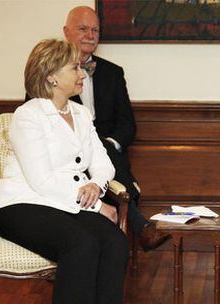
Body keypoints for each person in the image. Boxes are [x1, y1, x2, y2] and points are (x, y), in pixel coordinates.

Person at [0, 39, 128, 304]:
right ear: (51, 76)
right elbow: (42, 181)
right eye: (75, 68)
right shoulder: (28, 115)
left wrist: (96, 186)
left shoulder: (81, 113)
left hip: (66, 203)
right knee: (81, 244)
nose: (82, 74)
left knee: (115, 242)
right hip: (23, 205)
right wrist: (96, 206)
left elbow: (104, 164)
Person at [64, 6, 169, 250]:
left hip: (107, 154)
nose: (90, 35)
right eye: (83, 29)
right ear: (66, 32)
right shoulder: (49, 73)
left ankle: (128, 231)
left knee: (103, 147)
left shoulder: (112, 72)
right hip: (68, 158)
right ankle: (140, 224)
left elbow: (127, 123)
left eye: (95, 30)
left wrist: (109, 144)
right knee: (96, 147)